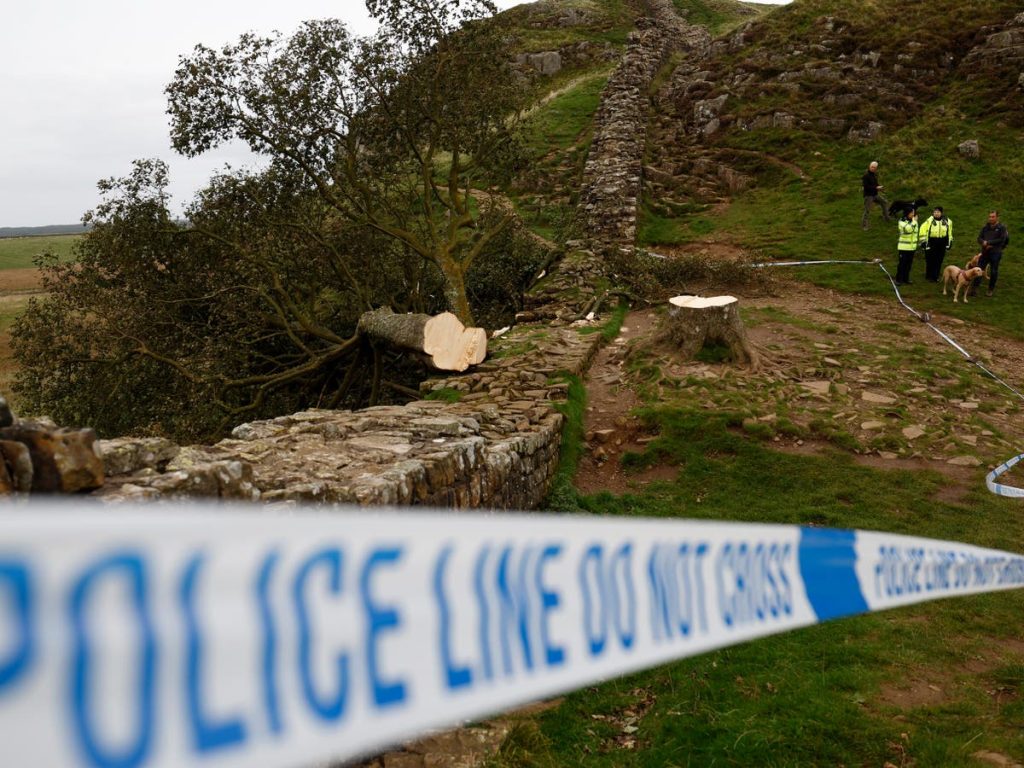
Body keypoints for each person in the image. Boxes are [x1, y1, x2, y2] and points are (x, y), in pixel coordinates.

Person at [973, 210, 1010, 297]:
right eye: (990, 217)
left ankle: (990, 289)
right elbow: (979, 238)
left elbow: (1002, 239)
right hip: (985, 252)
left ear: (997, 217)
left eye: (993, 217)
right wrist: (983, 242)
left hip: (995, 253)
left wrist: (989, 243)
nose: (991, 218)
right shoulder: (985, 227)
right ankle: (974, 288)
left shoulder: (1002, 228)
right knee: (979, 269)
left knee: (993, 271)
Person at [918, 206, 953, 282]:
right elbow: (922, 231)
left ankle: (935, 276)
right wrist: (923, 242)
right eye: (935, 212)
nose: (936, 214)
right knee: (930, 260)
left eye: (938, 212)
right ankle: (929, 276)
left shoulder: (947, 221)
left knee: (939, 260)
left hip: (942, 243)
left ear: (941, 213)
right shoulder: (928, 221)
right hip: (931, 242)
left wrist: (949, 242)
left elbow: (949, 233)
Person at [861, 161, 890, 230]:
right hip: (868, 196)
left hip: (875, 195)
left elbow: (876, 184)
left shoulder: (874, 175)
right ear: (869, 166)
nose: (873, 168)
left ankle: (886, 218)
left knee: (884, 202)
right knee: (867, 210)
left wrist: (880, 188)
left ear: (876, 168)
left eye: (874, 167)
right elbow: (866, 187)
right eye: (872, 167)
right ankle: (864, 225)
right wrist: (876, 187)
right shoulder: (866, 176)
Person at [895, 207, 918, 285]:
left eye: (913, 213)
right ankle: (898, 279)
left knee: (909, 264)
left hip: (912, 247)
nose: (913, 214)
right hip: (903, 247)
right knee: (902, 264)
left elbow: (915, 233)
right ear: (907, 213)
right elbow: (908, 230)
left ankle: (906, 279)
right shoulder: (902, 222)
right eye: (912, 213)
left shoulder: (913, 221)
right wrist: (914, 222)